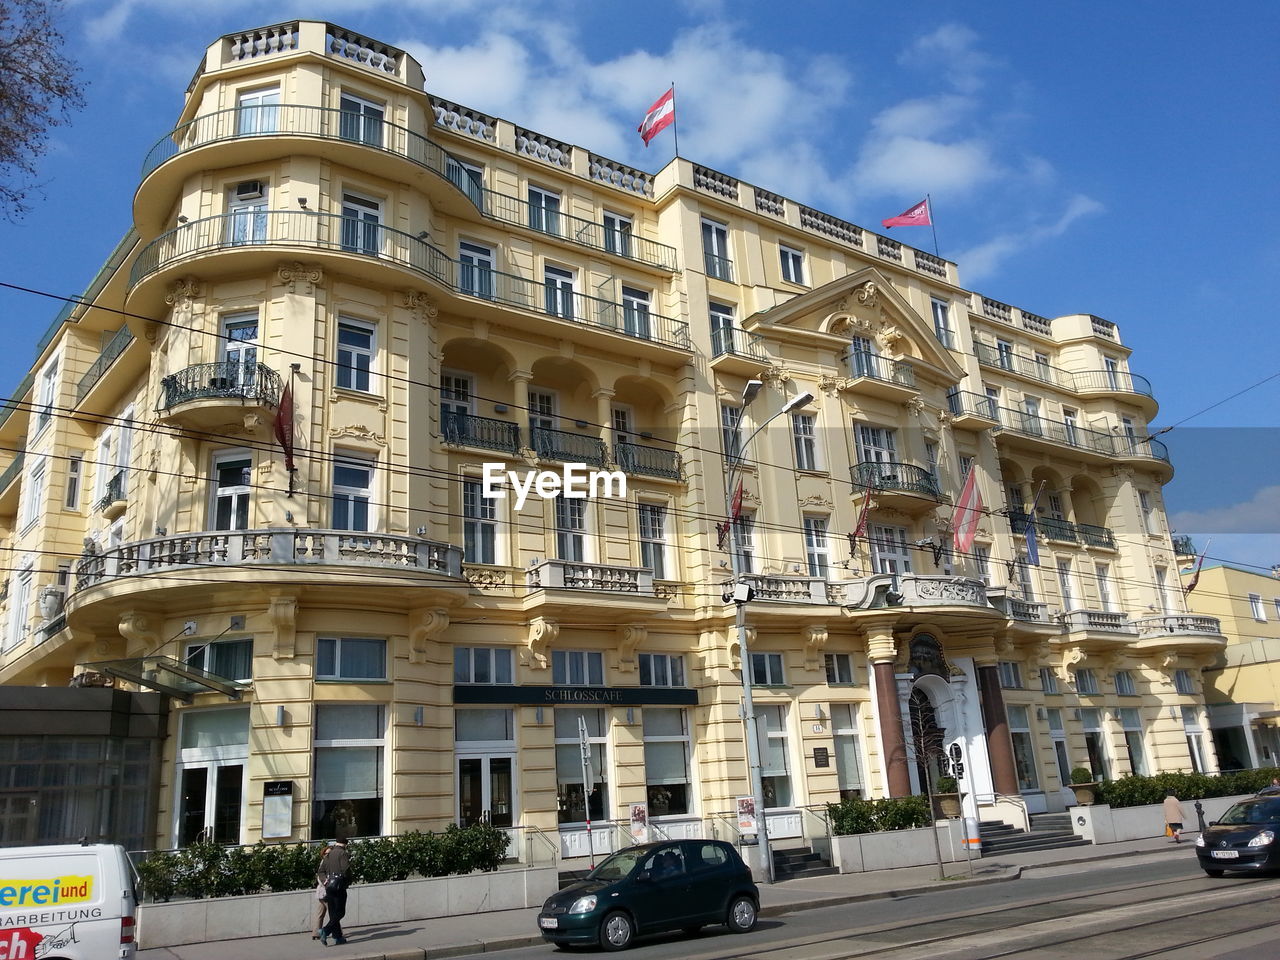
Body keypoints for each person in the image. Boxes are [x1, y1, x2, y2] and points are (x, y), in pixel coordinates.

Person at [317, 834, 351, 945]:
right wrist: (348, 882)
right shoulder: (343, 853)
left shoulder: (329, 854)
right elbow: (346, 870)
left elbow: (321, 871)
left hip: (329, 887)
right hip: (339, 886)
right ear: (345, 844)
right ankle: (325, 931)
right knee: (340, 912)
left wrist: (325, 881)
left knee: (333, 912)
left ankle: (338, 937)